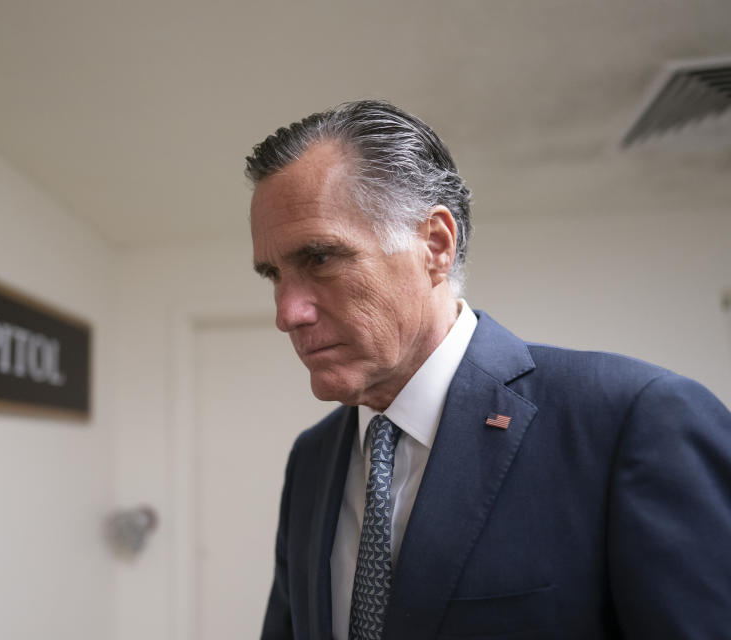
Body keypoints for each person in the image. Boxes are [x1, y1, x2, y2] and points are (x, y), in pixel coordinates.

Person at [245, 100, 731, 640]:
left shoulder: (634, 421)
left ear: (435, 245)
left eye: (319, 258)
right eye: (273, 274)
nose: (287, 313)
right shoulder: (313, 459)